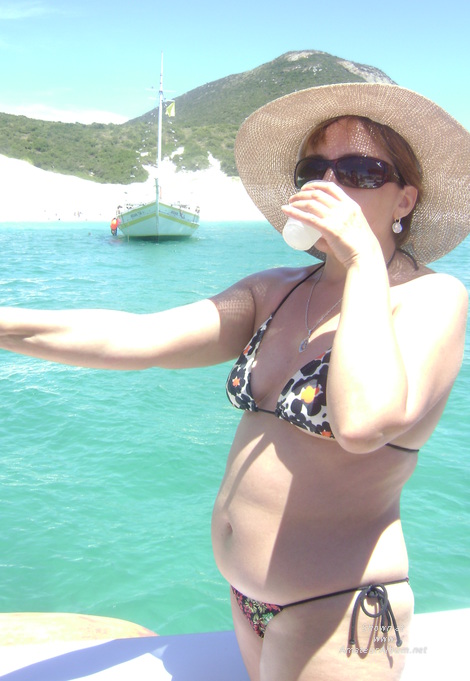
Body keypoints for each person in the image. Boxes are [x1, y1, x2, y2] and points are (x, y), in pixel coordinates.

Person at [1, 82, 469, 680]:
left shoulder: (431, 299)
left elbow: (363, 424)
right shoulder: (274, 291)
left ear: (405, 200)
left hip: (338, 610)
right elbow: (138, 339)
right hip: (246, 601)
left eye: (359, 171)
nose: (330, 185)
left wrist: (360, 261)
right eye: (314, 170)